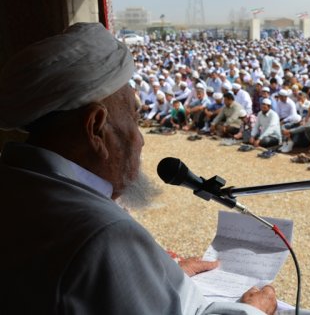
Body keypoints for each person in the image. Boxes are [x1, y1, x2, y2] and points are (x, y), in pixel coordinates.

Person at [0, 23, 277, 315]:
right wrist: (253, 312)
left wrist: (159, 275)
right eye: (134, 118)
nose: (141, 139)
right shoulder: (105, 236)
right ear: (95, 127)